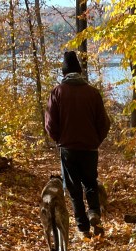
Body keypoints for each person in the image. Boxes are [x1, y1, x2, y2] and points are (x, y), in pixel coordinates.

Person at [45, 51, 111, 239]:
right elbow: (104, 124)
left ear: (64, 72)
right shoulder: (93, 93)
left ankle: (83, 229)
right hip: (89, 148)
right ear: (79, 71)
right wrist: (95, 141)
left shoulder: (57, 92)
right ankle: (94, 213)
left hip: (68, 149)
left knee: (74, 189)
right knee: (90, 182)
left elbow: (50, 124)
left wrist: (60, 139)